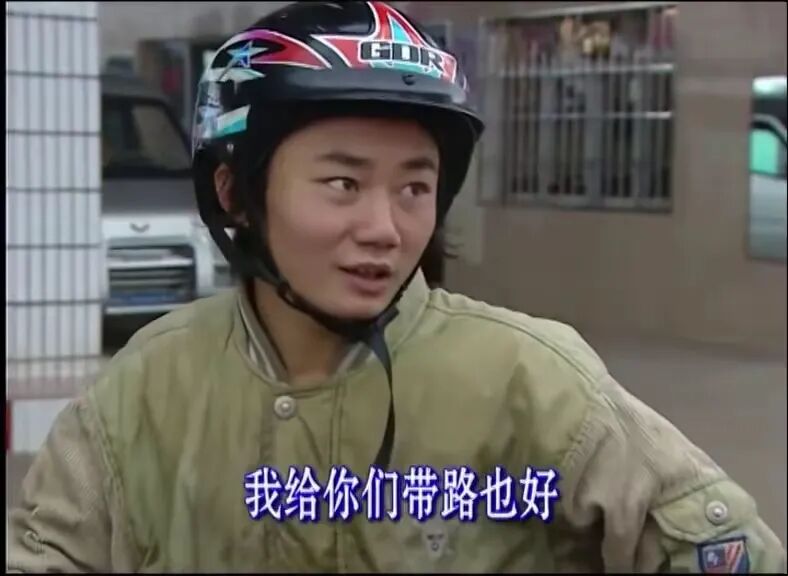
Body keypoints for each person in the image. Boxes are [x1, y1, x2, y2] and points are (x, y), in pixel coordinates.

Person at [7, 1, 786, 573]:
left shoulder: (533, 380)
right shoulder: (146, 388)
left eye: (415, 187)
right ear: (236, 191)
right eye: (343, 183)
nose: (385, 228)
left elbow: (723, 550)